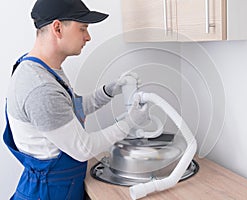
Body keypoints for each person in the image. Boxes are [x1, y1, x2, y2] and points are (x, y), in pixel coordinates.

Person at [3, 0, 149, 199]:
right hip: (49, 193)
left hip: (60, 186)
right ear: (57, 28)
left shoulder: (41, 69)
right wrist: (129, 123)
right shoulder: (40, 88)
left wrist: (109, 90)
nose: (88, 37)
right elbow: (83, 148)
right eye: (83, 28)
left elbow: (71, 109)